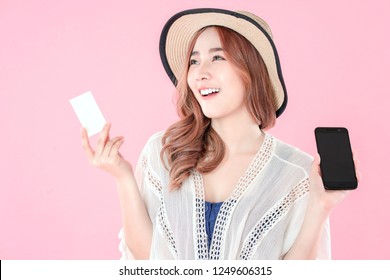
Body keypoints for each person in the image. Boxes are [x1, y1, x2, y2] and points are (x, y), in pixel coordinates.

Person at [81, 8, 359, 260]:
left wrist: (320, 207)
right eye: (193, 61)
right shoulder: (164, 152)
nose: (200, 73)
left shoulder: (296, 173)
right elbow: (147, 260)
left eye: (217, 57)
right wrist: (123, 177)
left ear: (251, 69)